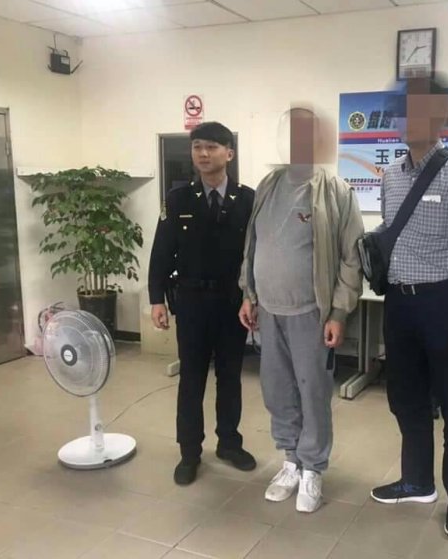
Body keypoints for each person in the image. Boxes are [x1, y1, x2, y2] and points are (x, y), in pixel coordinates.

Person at [369, 76, 448, 538]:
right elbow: (393, 234)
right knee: (405, 398)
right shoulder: (391, 176)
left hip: (444, 304)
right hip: (399, 305)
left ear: (442, 115)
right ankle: (417, 481)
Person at [238, 107, 364, 513]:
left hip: (312, 313)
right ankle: (290, 460)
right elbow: (253, 245)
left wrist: (339, 313)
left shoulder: (335, 191)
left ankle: (313, 468)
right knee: (278, 392)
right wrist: (248, 293)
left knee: (313, 393)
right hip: (268, 311)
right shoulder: (268, 186)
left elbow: (351, 258)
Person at [149, 121, 256, 485]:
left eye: (211, 147)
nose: (203, 154)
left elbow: (255, 255)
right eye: (197, 147)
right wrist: (156, 299)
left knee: (230, 377)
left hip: (232, 304)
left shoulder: (248, 199)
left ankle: (229, 443)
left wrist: (253, 297)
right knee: (191, 379)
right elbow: (161, 253)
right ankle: (189, 452)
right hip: (192, 302)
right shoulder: (178, 199)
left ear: (229, 153)